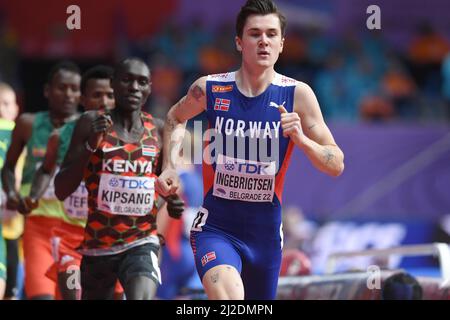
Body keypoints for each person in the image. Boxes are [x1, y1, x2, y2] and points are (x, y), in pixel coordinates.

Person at [156, 0, 344, 300]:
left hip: (266, 237)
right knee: (229, 299)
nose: (263, 41)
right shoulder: (210, 89)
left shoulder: (298, 95)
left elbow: (335, 164)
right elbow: (175, 118)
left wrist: (302, 140)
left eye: (271, 34)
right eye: (254, 34)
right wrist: (170, 164)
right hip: (216, 229)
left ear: (282, 44)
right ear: (239, 42)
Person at [54, 58, 183, 300]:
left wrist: (168, 200)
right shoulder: (90, 122)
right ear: (114, 84)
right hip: (98, 246)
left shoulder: (156, 129)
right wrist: (91, 145)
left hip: (142, 242)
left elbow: (161, 186)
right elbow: (61, 189)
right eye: (127, 80)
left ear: (149, 88)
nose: (134, 87)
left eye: (142, 82)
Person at [26, 65, 124, 300]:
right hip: (71, 236)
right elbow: (46, 170)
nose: (104, 101)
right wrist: (34, 195)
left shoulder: (131, 135)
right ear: (83, 99)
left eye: (110, 95)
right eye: (96, 95)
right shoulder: (61, 136)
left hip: (118, 237)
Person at [1, 61, 81, 300]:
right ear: (47, 91)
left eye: (74, 89)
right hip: (38, 229)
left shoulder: (87, 128)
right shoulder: (28, 124)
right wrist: (13, 195)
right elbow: (8, 168)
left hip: (76, 234)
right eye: (61, 88)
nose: (68, 94)